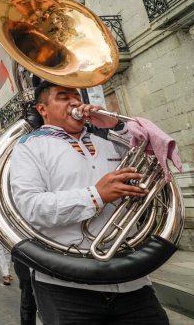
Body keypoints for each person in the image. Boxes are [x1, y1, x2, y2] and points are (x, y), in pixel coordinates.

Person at [11, 80, 170, 324]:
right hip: (65, 285)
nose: (75, 101)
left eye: (76, 95)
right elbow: (30, 208)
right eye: (63, 96)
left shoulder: (110, 140)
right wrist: (96, 195)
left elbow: (156, 158)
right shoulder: (30, 147)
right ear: (43, 109)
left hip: (131, 279)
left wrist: (116, 125)